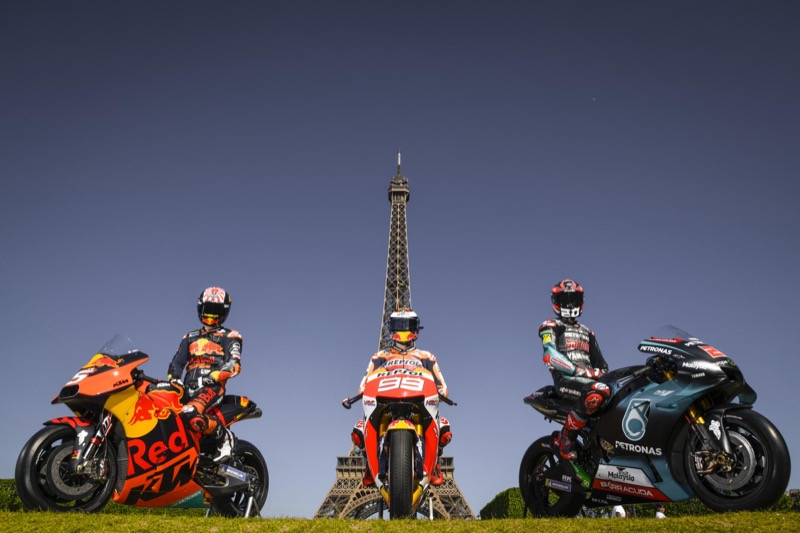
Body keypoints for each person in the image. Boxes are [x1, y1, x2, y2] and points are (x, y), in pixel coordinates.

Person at [348, 309, 452, 486]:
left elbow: (442, 387)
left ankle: (435, 462)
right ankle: (370, 464)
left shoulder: (427, 356)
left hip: (417, 401)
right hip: (386, 402)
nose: (403, 330)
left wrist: (439, 394)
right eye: (399, 325)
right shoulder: (379, 356)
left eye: (408, 325)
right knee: (358, 433)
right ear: (390, 328)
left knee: (444, 430)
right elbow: (364, 386)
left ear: (416, 328)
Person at [168, 286, 242, 462]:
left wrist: (213, 376)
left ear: (224, 313)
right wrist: (174, 380)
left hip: (212, 387)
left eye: (216, 311)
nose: (211, 316)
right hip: (186, 388)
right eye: (208, 310)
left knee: (190, 413)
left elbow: (234, 364)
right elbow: (176, 363)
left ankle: (224, 437)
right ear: (200, 309)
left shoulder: (231, 335)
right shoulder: (189, 337)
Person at [538, 279, 610, 461]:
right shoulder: (550, 325)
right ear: (556, 302)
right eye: (565, 300)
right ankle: (566, 439)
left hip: (591, 382)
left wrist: (605, 375)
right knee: (597, 392)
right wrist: (580, 371)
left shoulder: (588, 332)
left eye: (573, 299)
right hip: (566, 380)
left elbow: (602, 365)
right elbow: (550, 355)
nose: (569, 305)